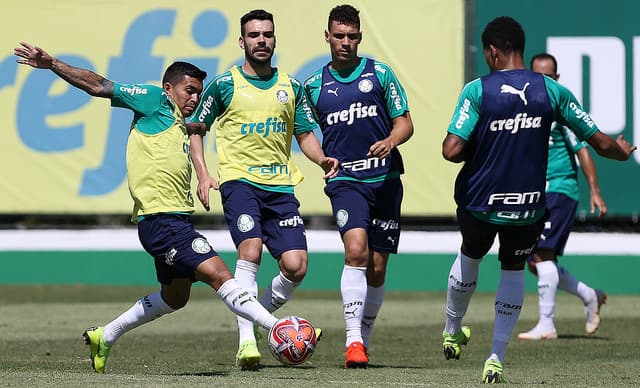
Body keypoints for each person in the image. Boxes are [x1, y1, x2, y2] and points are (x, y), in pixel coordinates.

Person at [13, 42, 283, 373]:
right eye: (189, 90)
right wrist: (54, 64)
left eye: (198, 92)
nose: (194, 98)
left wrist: (201, 175)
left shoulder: (180, 123)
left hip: (169, 221)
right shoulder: (154, 100)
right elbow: (100, 85)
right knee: (221, 274)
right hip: (163, 221)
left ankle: (105, 335)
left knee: (176, 297)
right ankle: (278, 329)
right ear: (169, 87)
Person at [441, 17, 635, 383]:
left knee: (470, 255)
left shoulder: (478, 90)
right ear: (520, 48)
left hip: (481, 201)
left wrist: (483, 139)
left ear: (492, 51)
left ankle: (452, 328)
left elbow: (451, 150)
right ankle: (496, 356)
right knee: (514, 269)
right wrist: (622, 153)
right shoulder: (552, 91)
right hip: (528, 204)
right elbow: (599, 141)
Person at [187, 9, 339, 370]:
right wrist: (204, 175)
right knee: (250, 252)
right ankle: (246, 343)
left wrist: (321, 160)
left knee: (296, 266)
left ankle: (258, 319)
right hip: (240, 182)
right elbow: (197, 128)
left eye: (267, 34)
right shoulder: (225, 84)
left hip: (280, 186)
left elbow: (304, 133)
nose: (261, 41)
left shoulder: (291, 86)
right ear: (242, 41)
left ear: (274, 39)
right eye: (254, 35)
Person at [303, 4, 414, 368]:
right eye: (339, 36)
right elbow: (305, 133)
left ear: (359, 38)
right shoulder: (315, 86)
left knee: (377, 268)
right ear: (327, 36)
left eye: (352, 37)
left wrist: (391, 141)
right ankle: (353, 342)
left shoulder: (380, 74)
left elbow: (405, 123)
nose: (345, 43)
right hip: (346, 181)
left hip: (384, 180)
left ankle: (363, 338)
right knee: (356, 251)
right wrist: (322, 159)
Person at [518, 53, 608, 341]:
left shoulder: (560, 112)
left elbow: (583, 149)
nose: (544, 81)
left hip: (560, 189)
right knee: (535, 261)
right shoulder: (525, 110)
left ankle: (547, 325)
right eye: (538, 76)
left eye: (549, 76)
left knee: (542, 255)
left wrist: (594, 189)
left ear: (557, 79)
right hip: (537, 192)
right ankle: (589, 295)